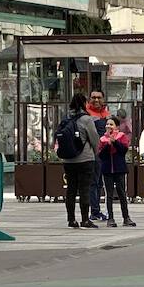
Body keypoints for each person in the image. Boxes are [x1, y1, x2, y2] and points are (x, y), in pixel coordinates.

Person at [57, 93, 100, 229]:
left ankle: (71, 219)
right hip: (85, 159)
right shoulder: (87, 119)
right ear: (84, 103)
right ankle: (85, 220)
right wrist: (95, 152)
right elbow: (94, 139)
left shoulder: (66, 118)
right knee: (84, 190)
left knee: (71, 190)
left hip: (68, 160)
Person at [97, 115, 135, 227]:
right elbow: (101, 155)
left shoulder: (122, 136)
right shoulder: (102, 139)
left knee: (122, 193)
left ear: (117, 126)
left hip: (119, 169)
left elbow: (123, 151)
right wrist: (108, 145)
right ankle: (110, 218)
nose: (109, 126)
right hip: (107, 170)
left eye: (111, 124)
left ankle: (126, 217)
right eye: (107, 124)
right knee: (109, 194)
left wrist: (115, 142)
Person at [86, 90, 111, 220]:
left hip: (104, 153)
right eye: (93, 97)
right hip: (93, 153)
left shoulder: (106, 114)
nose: (96, 100)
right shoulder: (87, 114)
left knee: (99, 183)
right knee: (94, 182)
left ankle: (96, 210)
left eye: (99, 97)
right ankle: (94, 211)